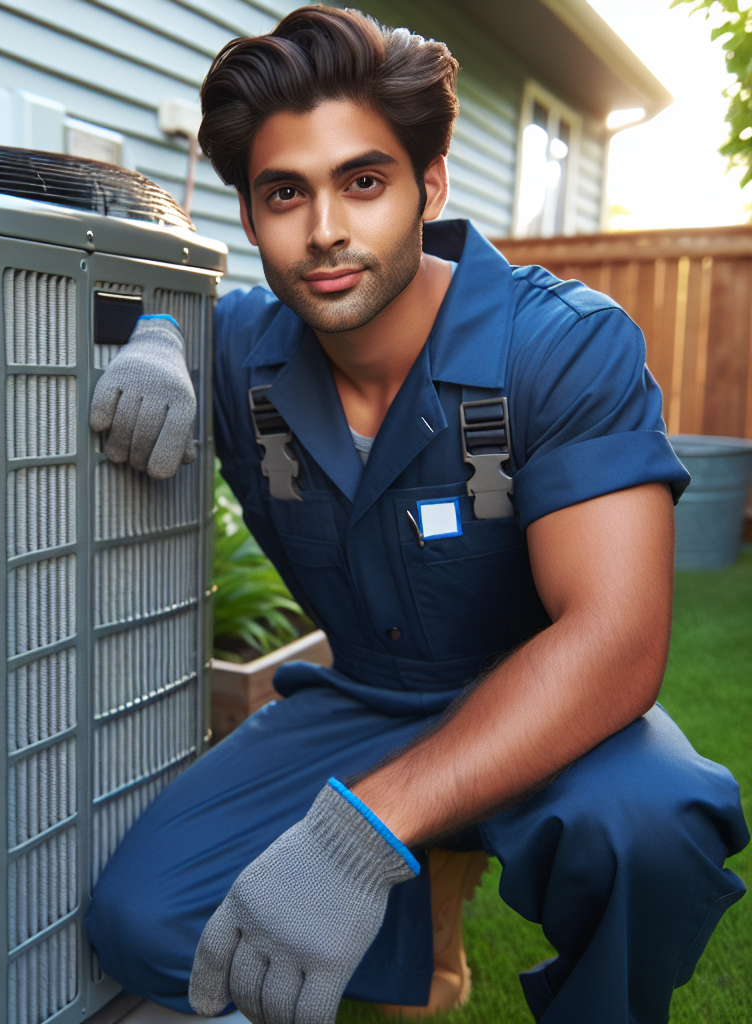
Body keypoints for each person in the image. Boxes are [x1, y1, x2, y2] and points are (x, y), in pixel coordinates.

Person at [84, 7, 749, 1023]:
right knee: (137, 917)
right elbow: (93, 287)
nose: (325, 231)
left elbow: (614, 642)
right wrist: (156, 324)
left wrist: (359, 834)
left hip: (544, 692)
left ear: (427, 184)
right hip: (368, 697)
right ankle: (423, 917)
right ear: (250, 213)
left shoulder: (560, 345)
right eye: (283, 194)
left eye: (363, 181)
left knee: (651, 829)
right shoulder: (240, 349)